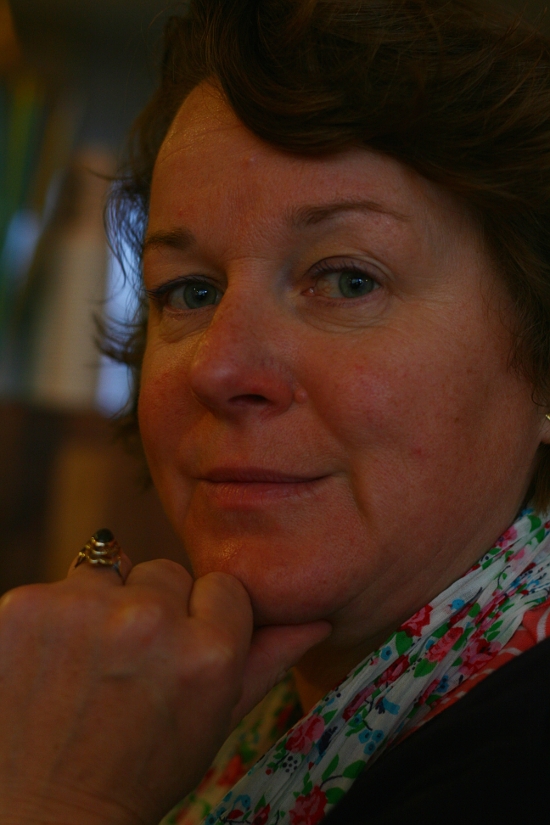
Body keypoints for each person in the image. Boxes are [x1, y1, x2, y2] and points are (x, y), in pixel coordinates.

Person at [2, 0, 550, 823]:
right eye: (189, 292)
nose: (218, 367)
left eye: (348, 280)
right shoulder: (243, 728)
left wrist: (57, 798)